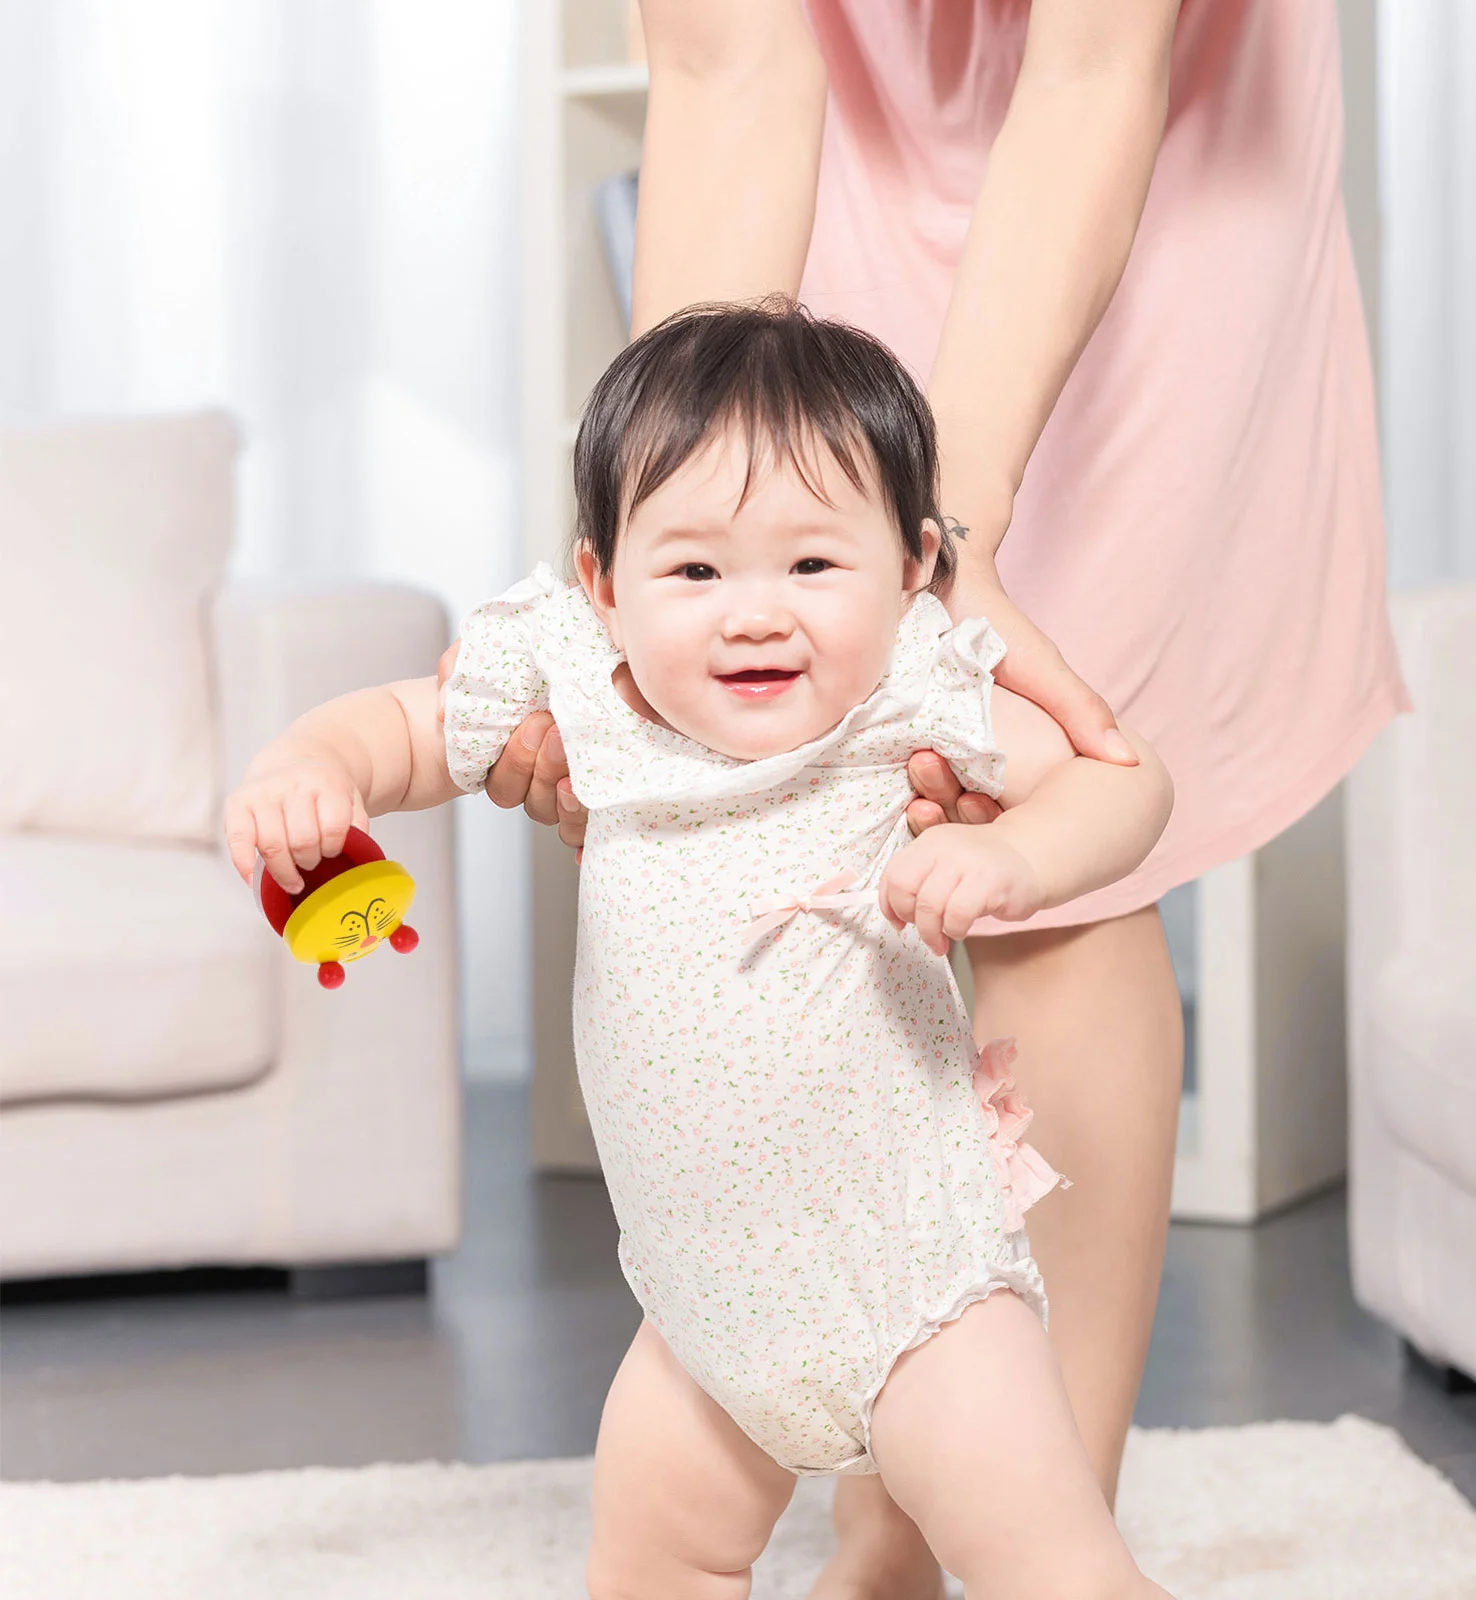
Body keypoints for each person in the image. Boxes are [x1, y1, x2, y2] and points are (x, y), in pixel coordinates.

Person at [460, 3, 1409, 1594]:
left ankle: (1025, 1515)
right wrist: (677, 533)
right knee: (800, 741)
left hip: (1148, 141)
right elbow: (726, 63)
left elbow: (1100, 67)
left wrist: (940, 541)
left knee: (1033, 803)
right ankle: (897, 1504)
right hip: (855, 127)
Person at [230, 303, 1176, 1598]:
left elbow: (1124, 787)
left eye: (811, 567)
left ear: (909, 571)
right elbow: (401, 731)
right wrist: (306, 770)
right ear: (602, 583)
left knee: (1048, 1565)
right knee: (653, 1562)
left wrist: (1014, 857)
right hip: (703, 1314)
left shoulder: (911, 690)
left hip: (917, 1294)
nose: (755, 617)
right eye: (696, 573)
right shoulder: (576, 680)